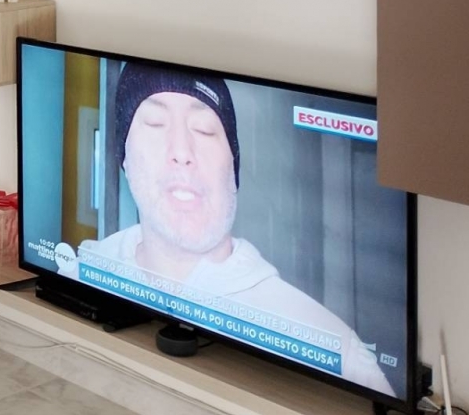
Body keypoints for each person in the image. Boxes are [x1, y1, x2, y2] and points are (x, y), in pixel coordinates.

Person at [81, 63, 394, 396]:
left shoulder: (335, 349)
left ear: (233, 165)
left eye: (204, 130)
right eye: (156, 124)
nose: (182, 152)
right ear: (124, 158)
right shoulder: (83, 268)